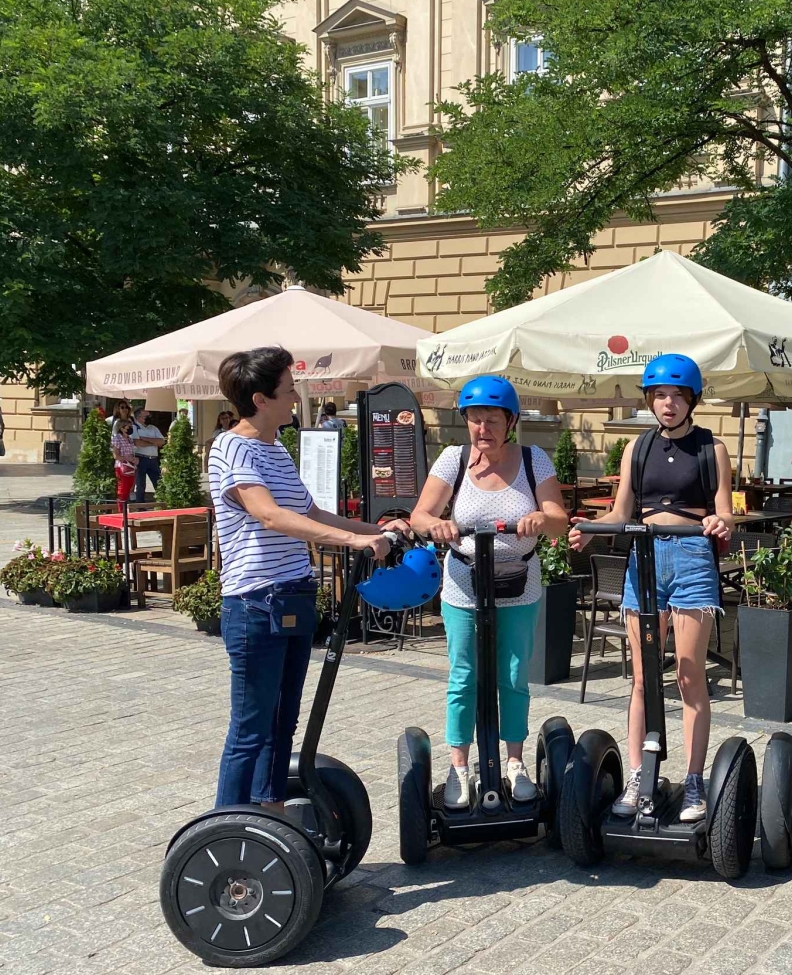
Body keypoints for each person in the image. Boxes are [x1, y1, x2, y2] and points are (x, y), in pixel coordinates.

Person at [208, 347, 407, 809]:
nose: (295, 395)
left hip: (293, 593)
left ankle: (269, 812)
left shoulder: (274, 447)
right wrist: (354, 543)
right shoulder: (230, 447)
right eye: (287, 389)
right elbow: (271, 517)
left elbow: (310, 512)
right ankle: (225, 829)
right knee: (250, 725)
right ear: (260, 399)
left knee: (284, 721)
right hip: (255, 601)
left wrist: (375, 529)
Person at [569, 353, 733, 822]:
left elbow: (723, 508)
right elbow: (622, 514)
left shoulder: (711, 448)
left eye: (677, 396)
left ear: (692, 400)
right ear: (649, 400)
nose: (667, 404)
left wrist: (721, 523)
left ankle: (695, 780)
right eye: (659, 395)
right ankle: (640, 773)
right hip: (643, 557)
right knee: (642, 680)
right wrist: (590, 527)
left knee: (688, 676)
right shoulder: (636, 449)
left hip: (691, 557)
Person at [409, 377, 567, 807]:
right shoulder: (453, 460)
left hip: (519, 583)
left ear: (510, 421)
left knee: (514, 676)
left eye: (492, 420)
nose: (483, 429)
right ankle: (459, 765)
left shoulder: (535, 460)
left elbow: (558, 517)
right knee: (464, 675)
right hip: (464, 583)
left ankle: (514, 762)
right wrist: (436, 525)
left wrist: (541, 516)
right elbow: (420, 514)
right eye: (475, 420)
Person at [130, 407, 166, 503]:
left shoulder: (153, 428)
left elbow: (162, 441)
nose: (149, 417)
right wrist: (154, 442)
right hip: (141, 458)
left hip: (153, 459)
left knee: (158, 483)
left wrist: (145, 439)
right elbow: (137, 442)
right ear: (139, 417)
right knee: (141, 485)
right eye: (146, 416)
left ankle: (162, 503)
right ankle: (140, 506)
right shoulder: (134, 427)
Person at [111, 419, 138, 501]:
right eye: (128, 427)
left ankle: (125, 508)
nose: (130, 428)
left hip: (131, 466)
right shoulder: (117, 438)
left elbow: (132, 453)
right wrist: (126, 458)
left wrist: (134, 459)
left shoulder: (130, 439)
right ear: (122, 428)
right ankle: (121, 510)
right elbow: (116, 455)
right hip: (122, 467)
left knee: (129, 487)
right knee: (122, 489)